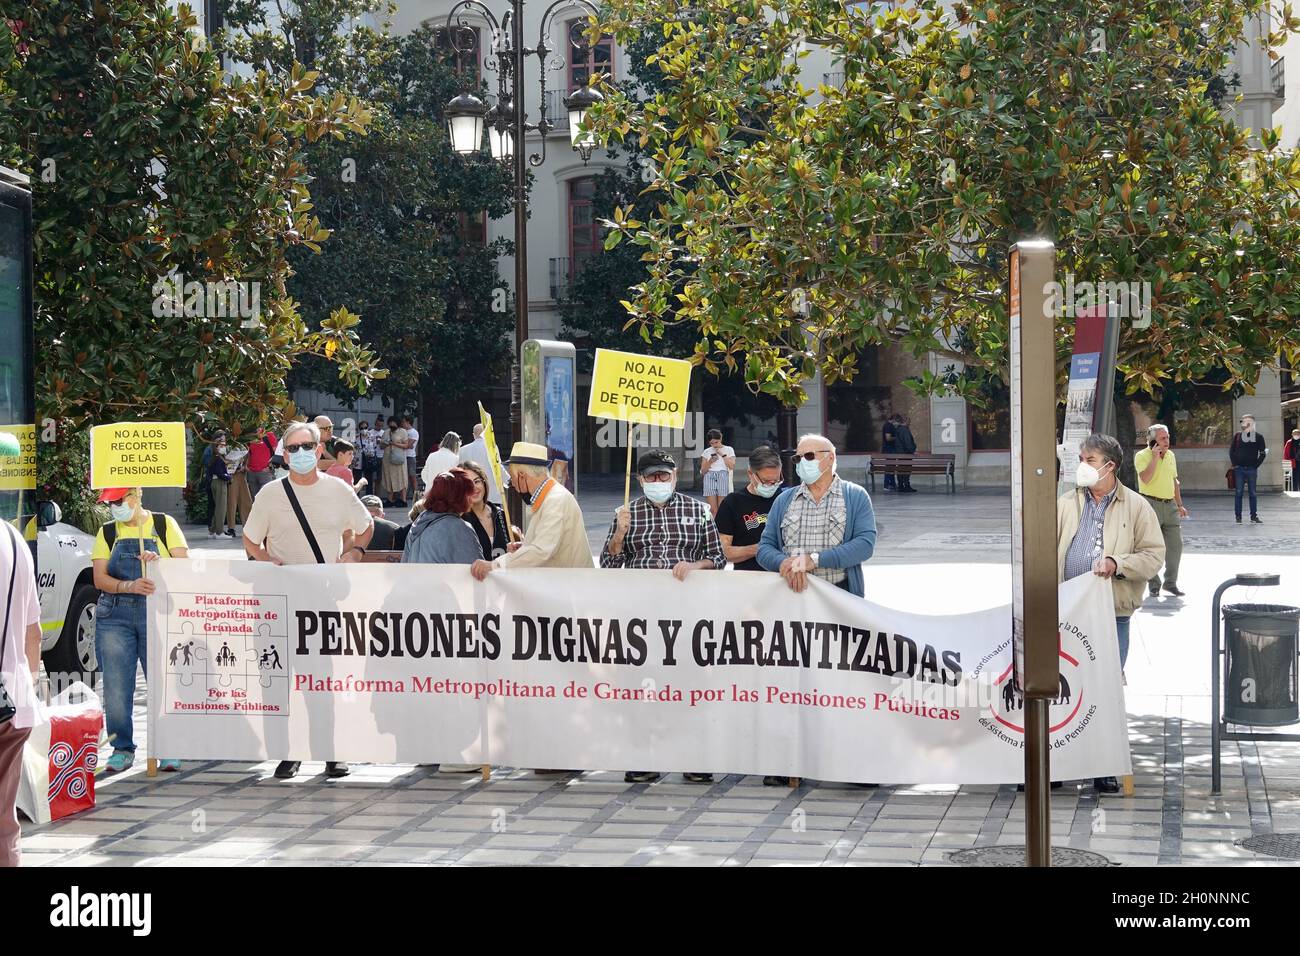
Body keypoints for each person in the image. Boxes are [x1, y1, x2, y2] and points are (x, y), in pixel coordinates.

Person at [242, 421, 374, 780]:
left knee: (324, 679)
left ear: (319, 450)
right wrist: (263, 561)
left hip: (323, 598)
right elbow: (251, 539)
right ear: (284, 454)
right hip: (280, 600)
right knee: (284, 679)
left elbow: (364, 526)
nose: (300, 453)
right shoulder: (269, 494)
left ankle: (333, 754)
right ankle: (290, 752)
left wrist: (355, 553)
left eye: (307, 446)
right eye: (293, 448)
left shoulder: (339, 490)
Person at [600, 449, 724, 785]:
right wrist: (618, 536)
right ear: (640, 480)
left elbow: (717, 558)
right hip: (641, 615)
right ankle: (644, 757)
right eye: (651, 477)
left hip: (686, 616)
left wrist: (695, 566)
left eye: (663, 476)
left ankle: (694, 759)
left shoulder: (698, 511)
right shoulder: (626, 512)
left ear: (674, 476)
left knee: (689, 684)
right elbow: (609, 566)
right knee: (643, 686)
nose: (658, 481)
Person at [1056, 433, 1164, 794]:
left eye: (1088, 459)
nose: (1081, 465)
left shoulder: (1136, 507)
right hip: (1066, 612)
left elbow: (1153, 556)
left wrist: (1118, 563)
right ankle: (1055, 765)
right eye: (1082, 459)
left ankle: (1101, 766)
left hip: (1111, 614)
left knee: (1103, 689)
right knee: (1061, 687)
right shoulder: (1067, 503)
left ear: (1110, 466)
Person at [91, 488, 189, 773]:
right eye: (109, 502)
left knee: (163, 681)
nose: (113, 507)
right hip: (115, 614)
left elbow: (185, 567)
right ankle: (121, 748)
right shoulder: (108, 532)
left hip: (159, 612)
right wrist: (128, 586)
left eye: (118, 501)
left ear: (136, 496)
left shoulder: (163, 525)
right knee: (117, 685)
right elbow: (99, 578)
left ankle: (168, 746)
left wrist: (160, 565)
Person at [758, 434, 878, 597]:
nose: (802, 463)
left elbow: (865, 545)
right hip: (791, 597)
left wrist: (814, 560)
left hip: (839, 596)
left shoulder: (855, 496)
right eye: (797, 459)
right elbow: (764, 547)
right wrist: (785, 563)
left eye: (809, 456)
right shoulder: (783, 500)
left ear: (830, 458)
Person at [470, 441, 592, 581]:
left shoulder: (555, 500)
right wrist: (525, 547)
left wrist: (495, 564)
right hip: (568, 586)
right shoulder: (551, 497)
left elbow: (541, 550)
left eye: (512, 478)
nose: (513, 485)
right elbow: (550, 544)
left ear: (522, 475)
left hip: (573, 588)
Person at [0, 514, 42, 866]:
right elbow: (33, 631)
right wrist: (26, 687)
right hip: (14, 702)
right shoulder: (14, 540)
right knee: (4, 823)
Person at [1134, 424, 1188, 598]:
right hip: (1150, 504)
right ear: (1152, 441)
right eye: (1163, 438)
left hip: (1170, 504)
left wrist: (1179, 505)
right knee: (1151, 546)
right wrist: (1155, 458)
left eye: (1168, 437)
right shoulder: (1141, 456)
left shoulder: (1171, 455)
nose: (1167, 441)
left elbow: (1175, 482)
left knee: (1175, 546)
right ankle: (1154, 583)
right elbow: (1145, 479)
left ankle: (1170, 583)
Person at [715, 444, 783, 572]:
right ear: (750, 474)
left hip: (784, 577)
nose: (772, 485)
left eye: (776, 480)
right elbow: (722, 551)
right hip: (749, 578)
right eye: (766, 481)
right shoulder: (733, 502)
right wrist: (761, 549)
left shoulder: (785, 498)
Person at [402, 468, 482, 566]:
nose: (471, 498)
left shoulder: (419, 522)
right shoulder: (460, 528)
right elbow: (475, 570)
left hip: (416, 580)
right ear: (460, 497)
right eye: (468, 493)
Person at [459, 460, 514, 561]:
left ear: (484, 482)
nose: (474, 487)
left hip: (501, 575)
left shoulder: (500, 514)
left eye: (477, 481)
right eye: (467, 484)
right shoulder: (459, 520)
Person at [1229, 413, 1268, 524]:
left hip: (1251, 469)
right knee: (1239, 493)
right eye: (1243, 421)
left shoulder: (1259, 437)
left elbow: (1263, 453)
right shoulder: (1237, 436)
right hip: (1239, 469)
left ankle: (1253, 516)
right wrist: (1235, 464)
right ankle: (1238, 517)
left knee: (1252, 493)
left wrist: (1256, 465)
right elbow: (1231, 451)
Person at [459, 423, 506, 505]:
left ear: (473, 435)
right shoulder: (492, 447)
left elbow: (460, 471)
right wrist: (507, 479)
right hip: (492, 494)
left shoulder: (463, 450)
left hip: (471, 493)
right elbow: (498, 466)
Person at [699, 428, 735, 518]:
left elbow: (731, 466)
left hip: (723, 475)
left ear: (721, 439)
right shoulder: (706, 452)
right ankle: (714, 530)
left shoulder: (729, 449)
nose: (714, 445)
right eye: (712, 443)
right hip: (709, 476)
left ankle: (721, 529)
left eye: (716, 442)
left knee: (722, 507)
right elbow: (703, 471)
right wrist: (710, 461)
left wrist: (722, 454)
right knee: (712, 509)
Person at [208, 435, 234, 539]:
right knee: (221, 508)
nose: (224, 447)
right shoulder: (218, 458)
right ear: (217, 447)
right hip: (219, 483)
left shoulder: (216, 457)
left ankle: (214, 530)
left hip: (215, 482)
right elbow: (220, 473)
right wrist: (229, 477)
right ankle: (219, 532)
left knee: (217, 507)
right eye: (222, 445)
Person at [381, 416, 410, 507]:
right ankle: (390, 499)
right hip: (388, 459)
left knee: (401, 477)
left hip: (399, 458)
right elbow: (381, 446)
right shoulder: (386, 432)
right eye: (390, 423)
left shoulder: (403, 432)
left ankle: (403, 500)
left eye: (394, 423)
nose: (392, 425)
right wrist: (384, 443)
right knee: (389, 478)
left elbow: (406, 445)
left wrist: (394, 443)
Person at [225, 443, 253, 531]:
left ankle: (248, 525)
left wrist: (244, 467)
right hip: (232, 477)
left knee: (246, 500)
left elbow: (247, 458)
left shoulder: (244, 445)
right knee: (232, 502)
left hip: (242, 476)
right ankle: (231, 528)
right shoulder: (227, 446)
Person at [246, 425, 278, 500]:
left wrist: (270, 467)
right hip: (251, 473)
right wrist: (246, 466)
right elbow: (248, 453)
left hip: (265, 473)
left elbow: (276, 453)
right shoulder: (250, 436)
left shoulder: (269, 435)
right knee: (255, 499)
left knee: (266, 498)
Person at [893, 414, 917, 493]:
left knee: (900, 470)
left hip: (899, 454)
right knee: (906, 470)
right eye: (909, 421)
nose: (910, 423)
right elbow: (908, 443)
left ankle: (900, 486)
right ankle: (906, 486)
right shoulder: (905, 430)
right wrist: (912, 450)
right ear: (905, 421)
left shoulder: (898, 430)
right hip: (906, 454)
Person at [360, 419, 383, 493]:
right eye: (362, 428)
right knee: (357, 479)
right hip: (358, 462)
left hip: (369, 461)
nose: (364, 430)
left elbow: (375, 447)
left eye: (365, 428)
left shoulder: (372, 437)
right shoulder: (356, 437)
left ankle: (369, 496)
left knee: (369, 480)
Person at [403, 415, 422, 502]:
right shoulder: (403, 432)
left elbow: (409, 445)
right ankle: (404, 496)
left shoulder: (413, 432)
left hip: (410, 457)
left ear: (408, 422)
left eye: (404, 422)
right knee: (404, 477)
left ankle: (417, 496)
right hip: (403, 456)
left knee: (412, 476)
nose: (402, 424)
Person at [881, 414, 899, 491]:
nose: (897, 423)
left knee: (891, 467)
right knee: (889, 467)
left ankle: (892, 484)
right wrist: (897, 438)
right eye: (897, 421)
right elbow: (888, 438)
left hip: (890, 449)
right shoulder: (888, 426)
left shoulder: (889, 425)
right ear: (894, 419)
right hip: (889, 449)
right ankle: (887, 484)